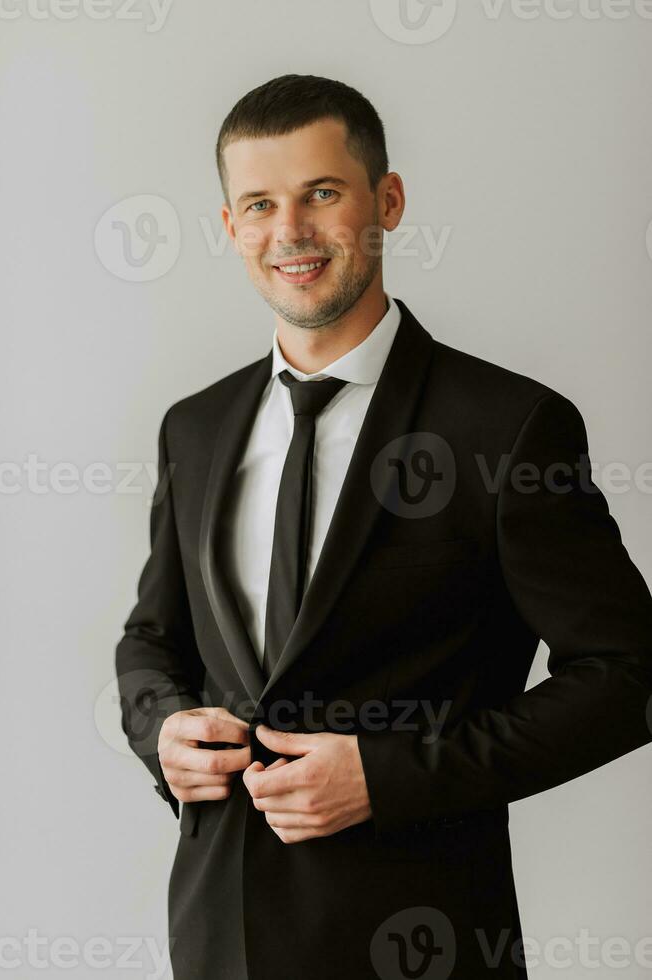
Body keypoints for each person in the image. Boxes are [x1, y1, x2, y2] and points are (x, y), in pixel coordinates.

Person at [115, 73, 652, 980]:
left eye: (322, 193)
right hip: (216, 936)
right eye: (260, 203)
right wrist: (160, 732)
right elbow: (152, 638)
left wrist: (390, 776)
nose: (290, 231)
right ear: (231, 227)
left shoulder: (507, 426)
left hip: (420, 942)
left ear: (388, 202)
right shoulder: (194, 428)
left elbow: (629, 674)